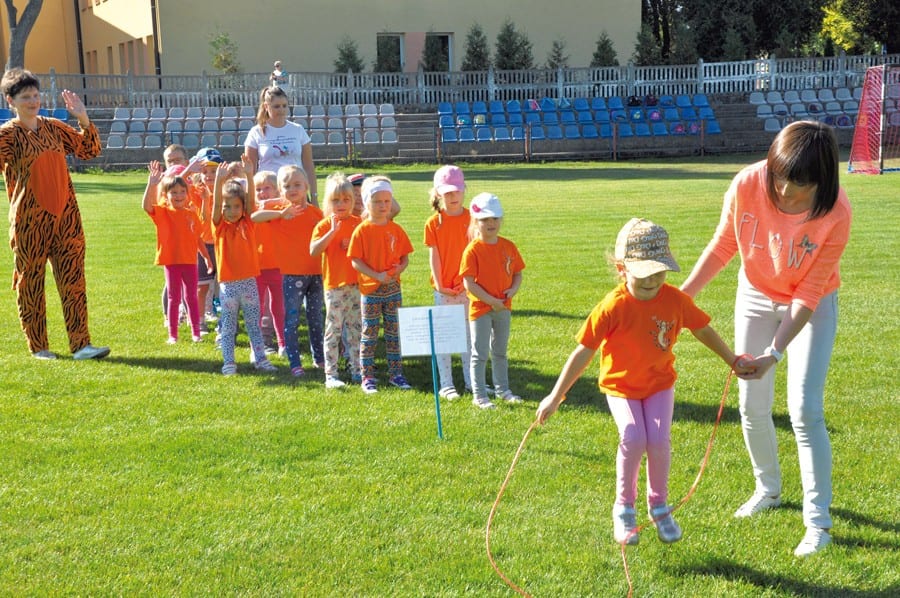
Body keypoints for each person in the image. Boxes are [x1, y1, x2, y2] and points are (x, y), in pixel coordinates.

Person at [680, 120, 852, 557]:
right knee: (751, 403)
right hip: (755, 295)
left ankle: (818, 522)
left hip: (812, 306)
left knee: (805, 410)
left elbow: (809, 294)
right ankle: (768, 490)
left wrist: (775, 352)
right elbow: (724, 245)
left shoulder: (837, 212)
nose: (784, 193)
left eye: (798, 187)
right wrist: (682, 300)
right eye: (778, 179)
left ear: (822, 181)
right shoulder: (747, 183)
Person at [536, 218, 751, 546]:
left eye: (659, 271)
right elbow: (583, 352)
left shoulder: (675, 300)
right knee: (634, 437)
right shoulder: (613, 306)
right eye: (643, 273)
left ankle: (659, 506)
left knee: (659, 441)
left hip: (659, 385)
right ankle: (624, 508)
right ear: (622, 269)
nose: (652, 280)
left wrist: (732, 359)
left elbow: (702, 329)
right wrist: (555, 396)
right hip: (621, 387)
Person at [0, 68, 109, 359]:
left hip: (66, 219)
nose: (33, 101)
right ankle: (39, 347)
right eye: (25, 97)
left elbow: (89, 149)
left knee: (74, 282)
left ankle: (81, 345)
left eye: (35, 95)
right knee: (31, 285)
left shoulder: (54, 127)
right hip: (29, 222)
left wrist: (83, 118)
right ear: (10, 100)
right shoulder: (7, 135)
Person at [251, 165, 324, 377]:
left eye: (297, 185)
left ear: (306, 186)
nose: (292, 189)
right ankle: (294, 362)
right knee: (290, 319)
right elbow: (254, 217)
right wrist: (280, 212)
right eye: (287, 186)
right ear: (281, 190)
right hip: (291, 275)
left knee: (315, 318)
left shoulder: (315, 213)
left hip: (316, 273)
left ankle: (319, 358)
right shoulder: (279, 211)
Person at [347, 176, 414, 394]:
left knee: (394, 332)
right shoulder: (362, 230)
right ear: (367, 202)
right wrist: (376, 275)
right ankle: (367, 376)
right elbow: (355, 260)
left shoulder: (396, 229)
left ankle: (396, 374)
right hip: (371, 291)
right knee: (370, 333)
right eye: (377, 202)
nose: (383, 206)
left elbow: (405, 257)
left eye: (387, 201)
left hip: (393, 289)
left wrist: (398, 271)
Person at [211, 159, 276, 375]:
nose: (232, 211)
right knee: (228, 327)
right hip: (228, 286)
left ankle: (260, 359)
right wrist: (219, 181)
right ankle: (229, 362)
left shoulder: (248, 222)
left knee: (253, 325)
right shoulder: (219, 227)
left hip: (249, 283)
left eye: (236, 206)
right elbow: (215, 208)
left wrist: (249, 174)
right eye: (227, 207)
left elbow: (250, 204)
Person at [460, 193, 525, 409]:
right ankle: (479, 395)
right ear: (475, 222)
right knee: (479, 353)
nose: (491, 223)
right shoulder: (472, 250)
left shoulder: (508, 246)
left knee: (500, 352)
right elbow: (469, 283)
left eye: (495, 218)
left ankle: (503, 390)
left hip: (503, 307)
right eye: (485, 219)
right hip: (480, 309)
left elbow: (517, 273)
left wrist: (512, 290)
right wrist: (490, 300)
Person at [142, 161, 213, 344]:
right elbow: (146, 206)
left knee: (191, 297)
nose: (179, 195)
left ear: (187, 194)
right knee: (174, 298)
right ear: (166, 195)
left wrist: (206, 258)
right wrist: (151, 184)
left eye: (182, 192)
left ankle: (196, 333)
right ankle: (173, 335)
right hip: (171, 262)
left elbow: (198, 238)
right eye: (174, 192)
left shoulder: (191, 214)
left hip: (190, 262)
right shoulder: (163, 212)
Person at [310, 172, 363, 388]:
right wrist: (332, 233)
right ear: (328, 202)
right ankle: (331, 373)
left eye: (346, 200)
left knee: (356, 329)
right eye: (336, 200)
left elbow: (366, 250)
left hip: (356, 285)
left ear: (353, 201)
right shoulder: (324, 225)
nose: (341, 204)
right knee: (334, 329)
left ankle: (358, 370)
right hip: (334, 287)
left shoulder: (359, 223)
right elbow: (314, 250)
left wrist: (354, 245)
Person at [423, 165, 472, 399]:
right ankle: (446, 384)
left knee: (469, 336)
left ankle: (473, 381)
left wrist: (467, 281)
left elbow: (474, 252)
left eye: (457, 191)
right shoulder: (434, 223)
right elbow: (434, 256)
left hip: (468, 287)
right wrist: (441, 284)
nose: (453, 197)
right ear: (438, 194)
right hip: (444, 290)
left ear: (464, 190)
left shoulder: (472, 219)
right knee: (444, 337)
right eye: (447, 192)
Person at [244, 86, 317, 206]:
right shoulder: (256, 132)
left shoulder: (298, 129)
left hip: (297, 193)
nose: (281, 110)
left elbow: (309, 166)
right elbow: (250, 171)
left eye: (284, 105)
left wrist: (314, 196)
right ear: (266, 106)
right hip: (269, 195)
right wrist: (250, 199)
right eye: (276, 106)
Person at [252, 170, 285, 356]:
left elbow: (289, 203)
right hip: (256, 267)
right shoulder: (253, 209)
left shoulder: (281, 208)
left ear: (277, 190)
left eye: (267, 188)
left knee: (279, 307)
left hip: (279, 266)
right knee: (257, 307)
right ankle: (257, 344)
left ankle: (283, 343)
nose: (262, 193)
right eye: (258, 189)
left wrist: (271, 203)